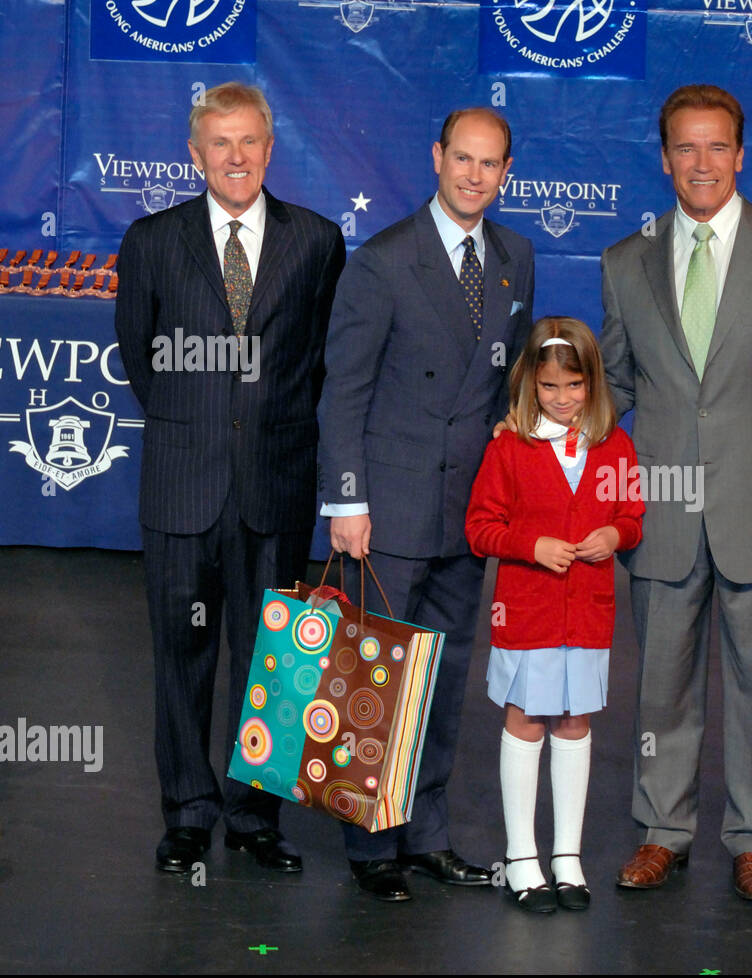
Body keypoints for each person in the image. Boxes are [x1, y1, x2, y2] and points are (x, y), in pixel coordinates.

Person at [600, 85, 752, 901]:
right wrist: (543, 432)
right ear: (664, 157)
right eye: (684, 147)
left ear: (741, 156)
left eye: (716, 147)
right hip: (663, 514)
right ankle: (662, 832)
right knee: (661, 686)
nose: (700, 162)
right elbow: (612, 387)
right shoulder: (624, 261)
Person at [115, 82, 346, 875]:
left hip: (273, 486)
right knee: (182, 656)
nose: (237, 157)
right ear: (196, 153)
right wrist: (200, 422)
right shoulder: (151, 240)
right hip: (183, 487)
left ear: (270, 149)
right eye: (221, 143)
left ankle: (253, 815)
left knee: (269, 661)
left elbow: (320, 361)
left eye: (249, 142)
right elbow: (141, 357)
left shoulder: (316, 241)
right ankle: (188, 810)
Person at [316, 107, 534, 902]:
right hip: (388, 510)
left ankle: (428, 834)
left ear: (506, 172)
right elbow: (345, 389)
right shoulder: (382, 260)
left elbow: (507, 383)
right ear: (437, 158)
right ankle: (370, 842)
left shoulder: (516, 256)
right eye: (462, 159)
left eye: (491, 164)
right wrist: (348, 500)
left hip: (468, 512)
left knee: (444, 677)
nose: (474, 176)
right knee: (372, 678)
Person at [467, 317, 644, 913]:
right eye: (549, 387)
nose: (563, 398)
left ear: (593, 385)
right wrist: (531, 545)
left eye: (574, 386)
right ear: (530, 385)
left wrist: (614, 534)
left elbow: (633, 516)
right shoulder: (510, 446)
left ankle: (566, 856)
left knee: (573, 724)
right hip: (526, 614)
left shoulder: (614, 445)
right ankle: (522, 857)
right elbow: (480, 527)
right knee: (527, 720)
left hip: (588, 617)